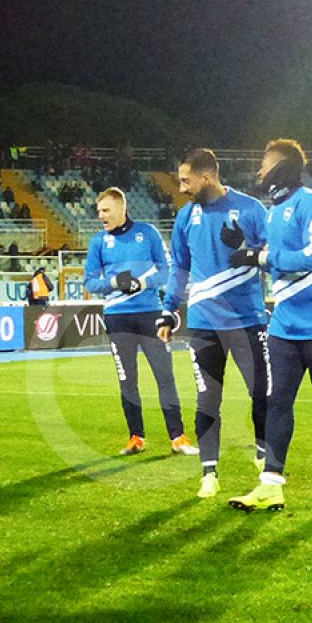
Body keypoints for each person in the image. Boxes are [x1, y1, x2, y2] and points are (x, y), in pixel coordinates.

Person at [227, 139, 312, 512]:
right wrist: (247, 249)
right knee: (277, 401)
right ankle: (271, 485)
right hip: (284, 324)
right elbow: (272, 257)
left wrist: (261, 257)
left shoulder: (311, 203)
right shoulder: (272, 212)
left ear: (282, 167)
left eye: (264, 164)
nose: (259, 172)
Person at [160, 148, 270, 499]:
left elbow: (274, 256)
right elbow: (180, 268)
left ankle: (265, 456)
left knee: (262, 394)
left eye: (186, 180)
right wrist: (168, 309)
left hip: (248, 321)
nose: (181, 188)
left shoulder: (251, 209)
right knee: (208, 399)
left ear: (206, 177)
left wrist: (246, 248)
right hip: (204, 324)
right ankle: (209, 473)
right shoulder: (185, 217)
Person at [85, 187, 194, 456]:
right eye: (99, 211)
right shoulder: (99, 241)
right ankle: (136, 437)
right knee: (127, 381)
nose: (101, 216)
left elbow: (167, 270)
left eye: (106, 210)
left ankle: (178, 437)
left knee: (165, 376)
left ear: (122, 208)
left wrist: (143, 283)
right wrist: (114, 282)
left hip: (150, 314)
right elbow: (90, 282)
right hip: (116, 317)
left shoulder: (148, 233)